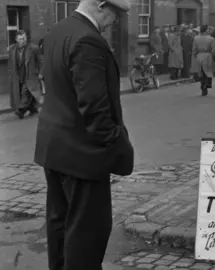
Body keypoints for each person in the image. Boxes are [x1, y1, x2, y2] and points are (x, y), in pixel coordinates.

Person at [34, 0, 134, 269]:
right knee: (87, 237)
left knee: (60, 227)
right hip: (83, 158)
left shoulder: (58, 30)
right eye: (116, 13)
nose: (116, 20)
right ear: (101, 6)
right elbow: (95, 107)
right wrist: (115, 144)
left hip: (54, 151)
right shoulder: (88, 40)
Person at [7, 30, 43, 119]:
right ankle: (33, 109)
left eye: (23, 38)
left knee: (25, 92)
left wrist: (41, 72)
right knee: (20, 93)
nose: (22, 41)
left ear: (26, 38)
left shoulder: (33, 48)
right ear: (16, 39)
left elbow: (41, 61)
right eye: (20, 39)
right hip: (17, 76)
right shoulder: (12, 49)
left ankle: (21, 111)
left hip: (30, 75)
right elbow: (11, 63)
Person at [191, 24, 215, 96]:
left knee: (201, 72)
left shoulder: (196, 38)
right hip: (208, 56)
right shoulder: (211, 39)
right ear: (206, 30)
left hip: (199, 56)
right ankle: (206, 85)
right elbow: (214, 50)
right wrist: (213, 55)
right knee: (208, 72)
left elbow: (194, 49)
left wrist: (196, 56)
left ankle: (202, 85)